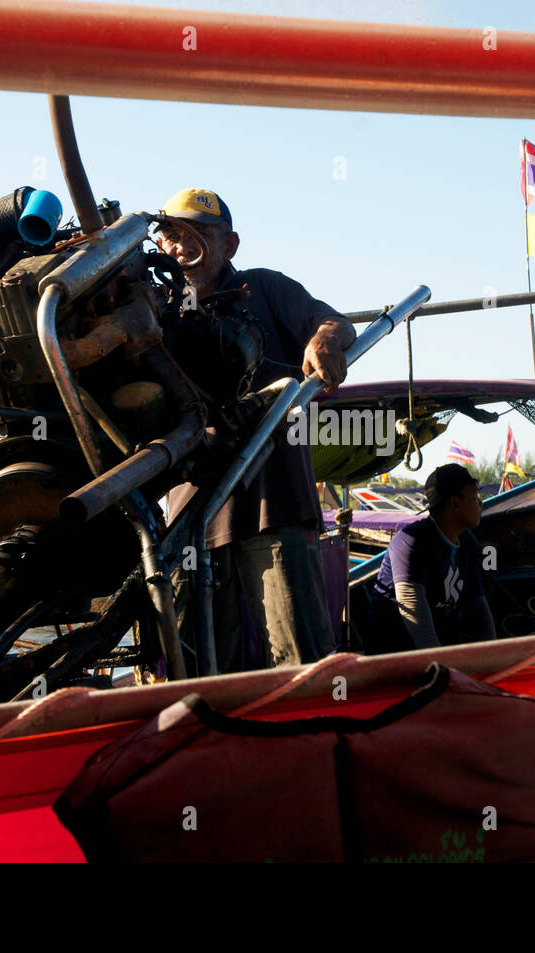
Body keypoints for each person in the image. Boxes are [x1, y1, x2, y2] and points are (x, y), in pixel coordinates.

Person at [157, 188, 356, 674]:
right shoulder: (153, 308)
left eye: (200, 235)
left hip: (275, 505)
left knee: (302, 666)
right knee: (191, 671)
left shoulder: (264, 289)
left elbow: (333, 322)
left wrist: (325, 340)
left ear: (230, 245)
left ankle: (309, 741)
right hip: (190, 511)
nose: (183, 246)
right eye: (173, 235)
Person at [370, 464, 497, 651]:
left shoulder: (466, 542)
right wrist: (442, 667)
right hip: (397, 651)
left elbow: (477, 605)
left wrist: (495, 654)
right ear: (455, 503)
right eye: (474, 498)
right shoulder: (412, 541)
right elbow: (412, 609)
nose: (480, 504)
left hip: (439, 644)